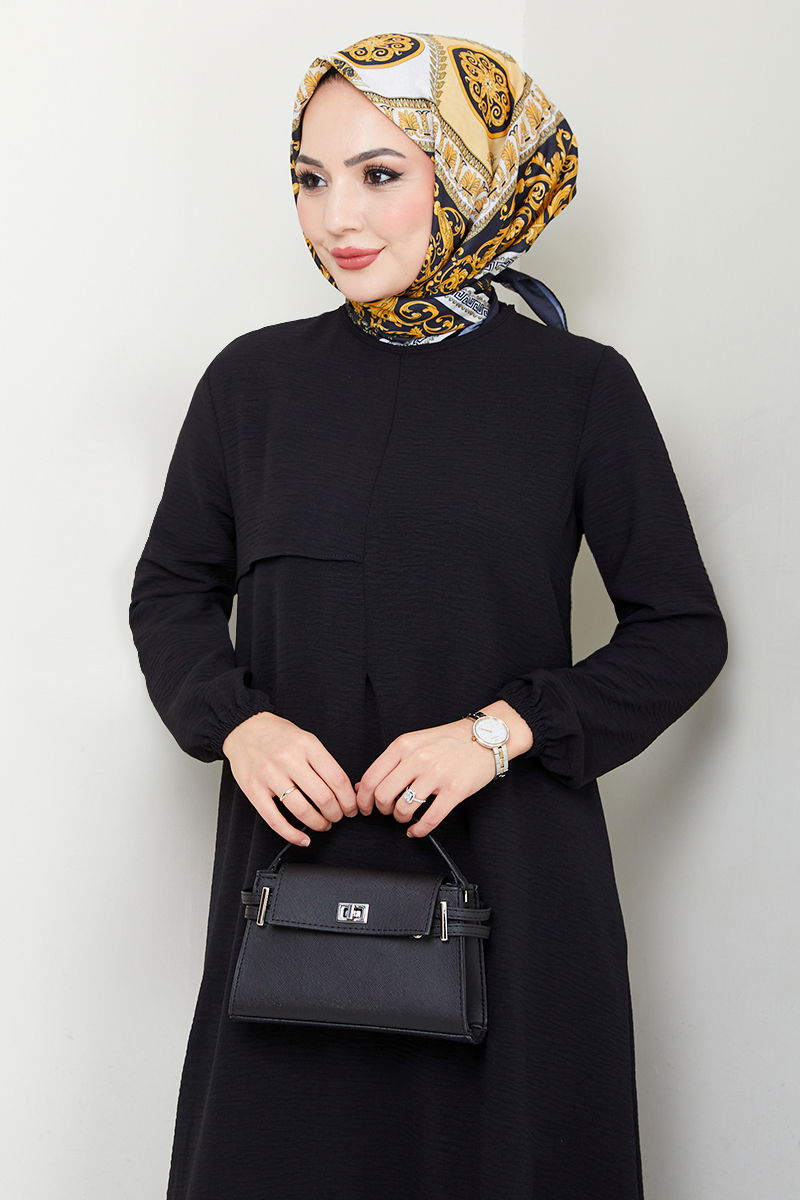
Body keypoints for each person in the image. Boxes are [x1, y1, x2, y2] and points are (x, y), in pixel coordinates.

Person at [128, 32, 727, 1200]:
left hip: (512, 890)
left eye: (379, 173)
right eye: (310, 178)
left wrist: (498, 733)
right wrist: (236, 723)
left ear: (465, 176)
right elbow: (171, 591)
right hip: (289, 895)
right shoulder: (250, 384)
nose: (336, 218)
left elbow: (678, 630)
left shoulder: (577, 389)